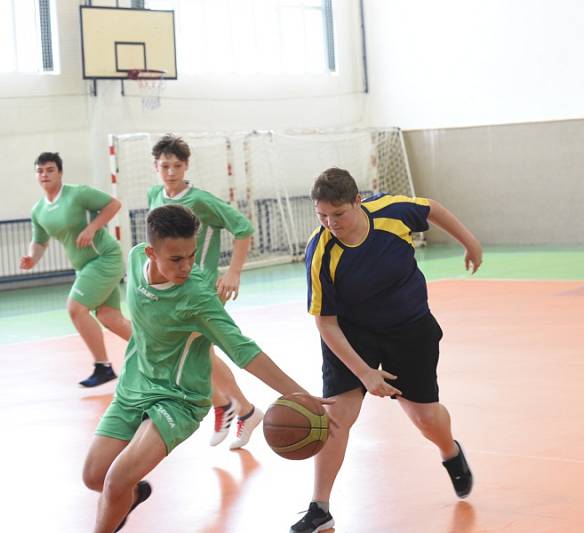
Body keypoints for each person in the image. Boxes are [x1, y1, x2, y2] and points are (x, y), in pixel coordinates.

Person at [82, 204, 330, 532]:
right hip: (134, 385)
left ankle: (121, 495)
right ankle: (133, 493)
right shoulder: (134, 258)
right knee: (94, 477)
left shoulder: (197, 296)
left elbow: (244, 351)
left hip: (178, 400)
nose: (186, 266)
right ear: (151, 252)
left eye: (191, 256)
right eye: (176, 259)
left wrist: (298, 394)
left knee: (115, 480)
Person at [291, 168, 483, 533]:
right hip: (351, 332)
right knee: (335, 416)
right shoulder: (320, 253)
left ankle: (450, 453)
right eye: (322, 216)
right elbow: (325, 323)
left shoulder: (392, 212)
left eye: (338, 214)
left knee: (425, 418)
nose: (330, 223)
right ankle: (320, 508)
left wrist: (469, 241)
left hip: (408, 327)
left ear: (357, 202)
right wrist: (364, 372)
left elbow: (432, 209)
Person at [148, 134, 262, 450]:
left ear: (186, 167)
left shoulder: (199, 201)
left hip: (203, 286)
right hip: (174, 288)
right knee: (197, 352)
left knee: (196, 350)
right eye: (165, 165)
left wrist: (234, 271)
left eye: (177, 166)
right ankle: (234, 406)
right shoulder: (155, 195)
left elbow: (243, 228)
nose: (170, 172)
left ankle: (235, 406)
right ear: (155, 167)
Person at [20, 152, 131, 387]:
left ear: (60, 172)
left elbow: (114, 204)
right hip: (83, 267)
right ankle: (157, 351)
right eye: (40, 171)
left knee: (75, 308)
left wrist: (92, 228)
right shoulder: (38, 210)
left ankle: (102, 367)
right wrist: (32, 258)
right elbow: (40, 242)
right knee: (109, 317)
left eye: (50, 170)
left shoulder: (78, 193)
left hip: (104, 257)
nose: (45, 174)